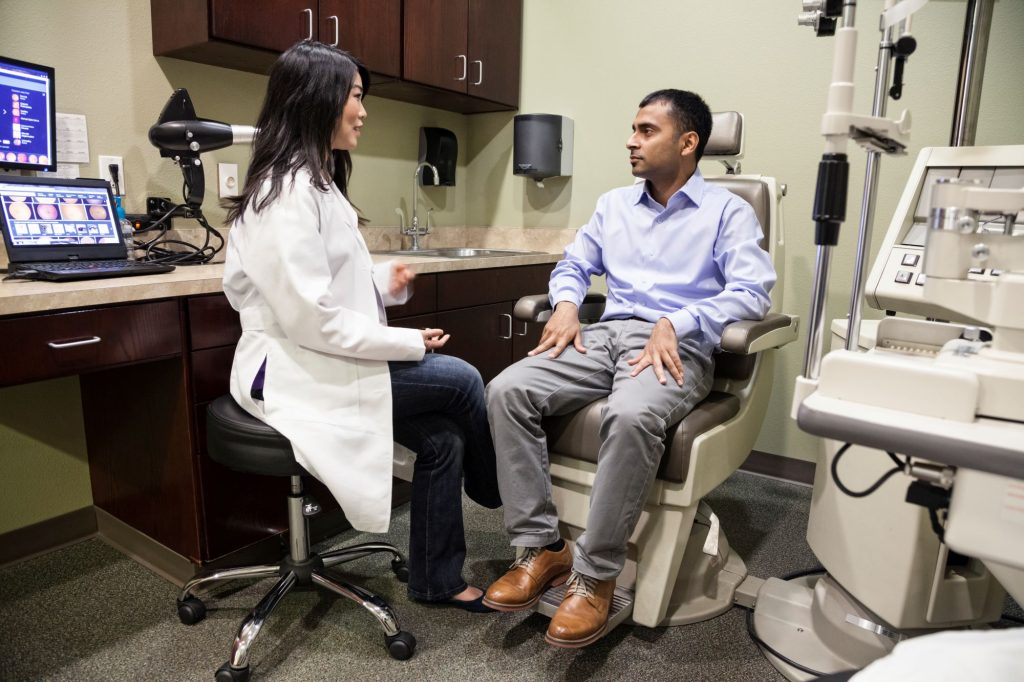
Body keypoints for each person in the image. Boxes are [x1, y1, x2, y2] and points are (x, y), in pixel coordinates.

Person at [482, 90, 776, 645]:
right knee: (506, 390)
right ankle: (544, 546)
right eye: (633, 130)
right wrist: (567, 304)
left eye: (646, 131)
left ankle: (595, 575)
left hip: (673, 345)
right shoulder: (614, 204)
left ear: (688, 143)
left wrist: (683, 320)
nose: (630, 141)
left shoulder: (727, 212)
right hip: (604, 334)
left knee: (631, 414)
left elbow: (752, 292)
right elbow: (574, 262)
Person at [222, 40, 500, 612]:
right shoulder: (285, 196)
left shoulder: (316, 183)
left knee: (445, 440)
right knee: (464, 380)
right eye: (355, 96)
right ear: (317, 99)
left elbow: (322, 285)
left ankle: (437, 580)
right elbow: (311, 319)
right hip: (292, 371)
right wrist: (406, 341)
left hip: (321, 357)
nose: (364, 110)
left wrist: (381, 282)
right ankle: (499, 492)